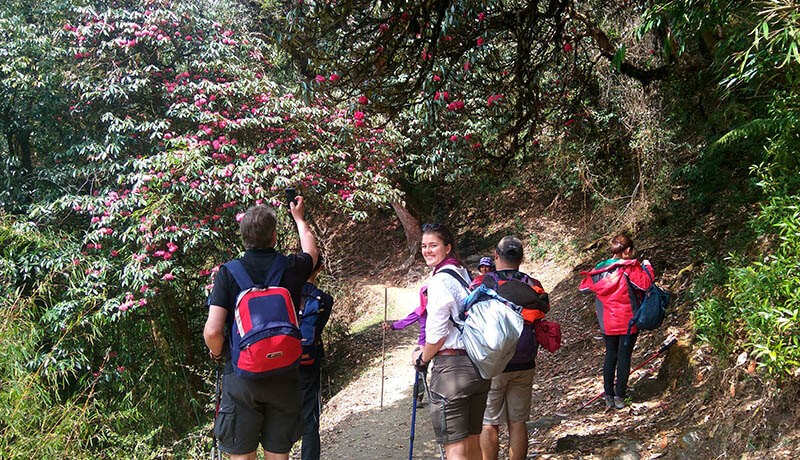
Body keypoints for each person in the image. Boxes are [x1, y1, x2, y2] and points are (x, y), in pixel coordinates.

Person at [203, 198, 318, 460]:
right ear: (274, 236)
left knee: (242, 454)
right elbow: (312, 253)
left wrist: (218, 354)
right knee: (278, 454)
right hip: (284, 374)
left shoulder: (228, 273)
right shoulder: (290, 267)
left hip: (242, 376)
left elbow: (212, 331)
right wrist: (299, 218)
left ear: (243, 237)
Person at [414, 223, 490, 460]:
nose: (427, 250)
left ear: (447, 248)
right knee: (473, 441)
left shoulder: (439, 282)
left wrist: (422, 357)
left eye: (433, 245)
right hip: (478, 366)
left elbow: (436, 334)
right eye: (424, 246)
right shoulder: (463, 274)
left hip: (452, 371)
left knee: (455, 447)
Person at [476, 236, 547, 460]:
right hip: (525, 361)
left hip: (494, 362)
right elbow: (542, 313)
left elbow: (469, 315)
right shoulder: (534, 285)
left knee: (489, 422)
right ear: (522, 258)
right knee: (518, 422)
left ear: (496, 256)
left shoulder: (483, 282)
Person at [579, 233, 653, 410]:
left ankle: (608, 396)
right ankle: (620, 396)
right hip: (629, 321)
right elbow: (646, 284)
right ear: (627, 250)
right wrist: (648, 267)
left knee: (610, 355)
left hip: (607, 321)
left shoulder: (599, 269)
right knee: (624, 356)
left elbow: (583, 287)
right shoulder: (630, 268)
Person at [299, 255, 333, 460]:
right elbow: (318, 329)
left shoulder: (284, 295)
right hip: (309, 363)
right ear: (320, 268)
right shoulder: (325, 300)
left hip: (280, 363)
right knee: (310, 419)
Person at [381, 285, 428, 404]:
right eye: (425, 294)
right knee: (421, 370)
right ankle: (418, 397)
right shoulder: (419, 311)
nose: (428, 297)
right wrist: (391, 326)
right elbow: (405, 322)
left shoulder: (441, 308)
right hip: (424, 344)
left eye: (430, 294)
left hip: (440, 343)